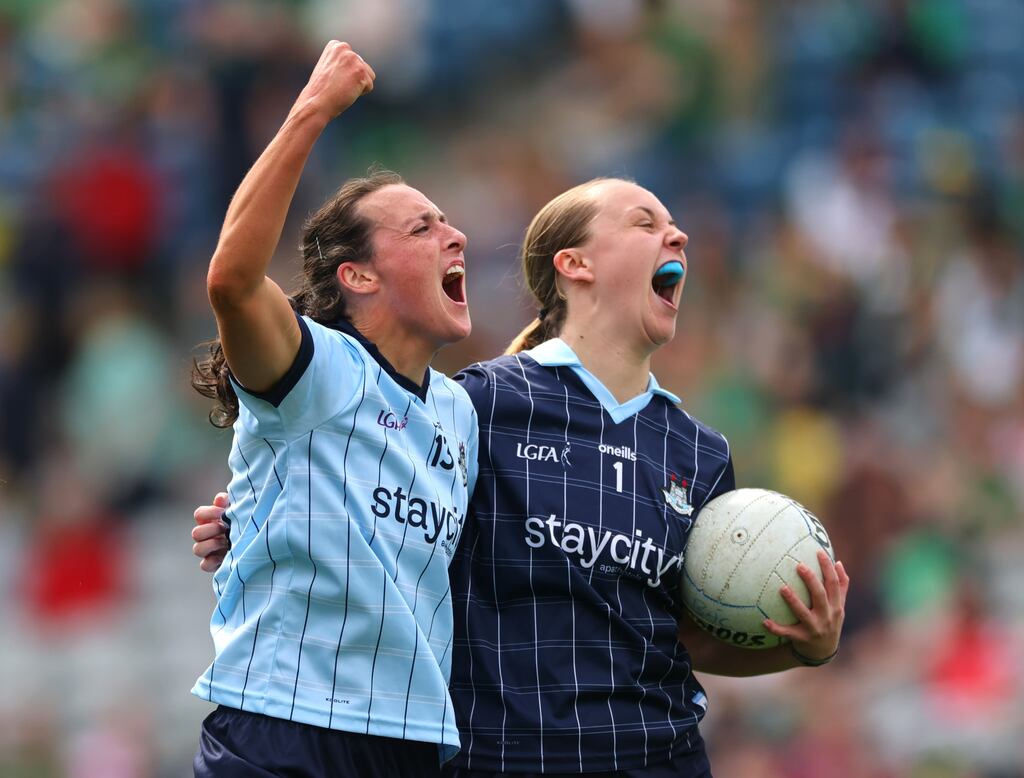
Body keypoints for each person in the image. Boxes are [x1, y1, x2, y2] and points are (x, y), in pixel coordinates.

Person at [195, 175, 849, 776]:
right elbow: (362, 490)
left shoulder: (699, 453)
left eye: (674, 227)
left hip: (659, 756)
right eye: (645, 223)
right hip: (505, 759)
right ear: (574, 265)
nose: (675, 236)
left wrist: (800, 646)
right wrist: (253, 523)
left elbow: (686, 636)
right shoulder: (479, 406)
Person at [187, 40, 480, 776]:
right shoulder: (317, 366)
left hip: (412, 741)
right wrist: (312, 108)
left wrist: (252, 527)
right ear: (358, 277)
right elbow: (231, 279)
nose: (456, 236)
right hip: (288, 726)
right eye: (422, 228)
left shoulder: (460, 412)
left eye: (446, 222)